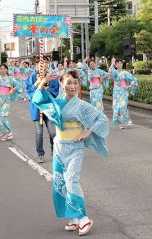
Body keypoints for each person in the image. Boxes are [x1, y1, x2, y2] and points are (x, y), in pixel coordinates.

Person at [32, 70, 109, 236]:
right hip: (59, 148)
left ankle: (83, 218)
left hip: (75, 148)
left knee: (71, 180)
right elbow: (38, 99)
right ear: (62, 84)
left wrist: (87, 132)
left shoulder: (82, 105)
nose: (72, 86)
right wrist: (43, 81)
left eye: (75, 83)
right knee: (60, 185)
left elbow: (101, 119)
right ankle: (73, 218)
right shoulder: (57, 102)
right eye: (69, 83)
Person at [26, 59, 59, 163]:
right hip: (37, 109)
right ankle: (40, 154)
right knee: (39, 132)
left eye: (44, 63)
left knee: (53, 132)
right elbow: (29, 90)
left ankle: (54, 152)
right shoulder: (32, 76)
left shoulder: (51, 76)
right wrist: (37, 83)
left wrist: (46, 87)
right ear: (37, 65)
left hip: (48, 108)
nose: (42, 65)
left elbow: (55, 91)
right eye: (40, 63)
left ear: (46, 65)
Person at [0, 63, 21, 141]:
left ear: (7, 70)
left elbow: (19, 84)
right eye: (1, 69)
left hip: (6, 99)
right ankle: (5, 133)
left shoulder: (10, 78)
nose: (3, 70)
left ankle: (10, 132)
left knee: (3, 115)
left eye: (4, 69)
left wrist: (13, 89)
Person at [109, 58, 138, 129]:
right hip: (116, 92)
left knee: (123, 106)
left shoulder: (125, 73)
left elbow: (134, 79)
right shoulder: (114, 72)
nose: (119, 64)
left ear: (122, 64)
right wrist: (112, 63)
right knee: (116, 108)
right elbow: (109, 74)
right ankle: (120, 124)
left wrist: (130, 86)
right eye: (117, 63)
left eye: (120, 63)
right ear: (115, 65)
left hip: (124, 91)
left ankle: (128, 120)